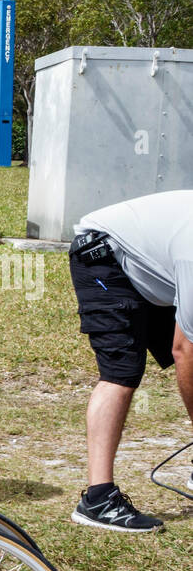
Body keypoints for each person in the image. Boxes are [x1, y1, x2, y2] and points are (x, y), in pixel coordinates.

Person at [68, 191, 193, 532]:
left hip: (154, 266)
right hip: (102, 258)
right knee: (120, 373)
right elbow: (185, 350)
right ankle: (98, 499)